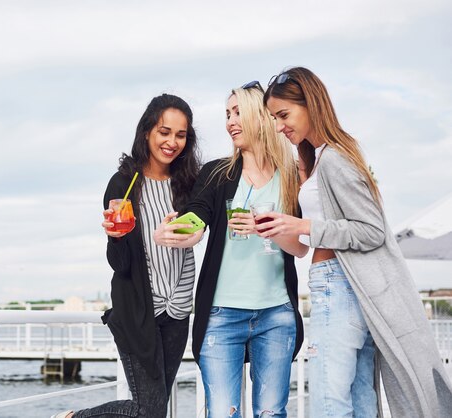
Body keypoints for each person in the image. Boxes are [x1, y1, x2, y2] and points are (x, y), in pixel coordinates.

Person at [263, 66, 452, 417]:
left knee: (327, 401)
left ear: (311, 104)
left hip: (337, 286)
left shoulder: (334, 159)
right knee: (360, 399)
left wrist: (303, 223)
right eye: (274, 118)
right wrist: (289, 228)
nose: (278, 126)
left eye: (283, 115)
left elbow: (370, 230)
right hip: (348, 288)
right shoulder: (323, 157)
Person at [154, 81, 307, 418]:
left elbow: (298, 247)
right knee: (223, 413)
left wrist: (264, 227)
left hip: (277, 314)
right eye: (227, 114)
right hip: (222, 315)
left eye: (238, 112)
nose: (230, 122)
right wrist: (175, 231)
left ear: (261, 117)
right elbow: (196, 220)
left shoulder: (291, 178)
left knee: (272, 412)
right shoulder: (217, 174)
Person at [51, 93, 202, 418]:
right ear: (147, 131)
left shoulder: (189, 183)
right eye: (164, 132)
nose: (172, 142)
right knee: (148, 410)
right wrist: (115, 238)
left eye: (180, 134)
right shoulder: (123, 183)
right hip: (139, 313)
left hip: (178, 313)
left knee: (155, 409)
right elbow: (119, 264)